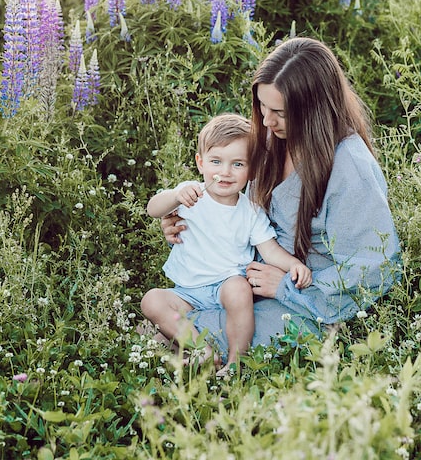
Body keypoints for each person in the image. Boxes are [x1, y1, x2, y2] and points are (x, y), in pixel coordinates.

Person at [161, 37, 401, 356]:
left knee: (175, 336)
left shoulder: (350, 168)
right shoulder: (274, 138)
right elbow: (245, 216)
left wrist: (285, 288)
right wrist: (192, 223)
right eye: (262, 106)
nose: (266, 122)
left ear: (315, 110)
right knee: (162, 310)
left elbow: (371, 268)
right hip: (243, 281)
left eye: (280, 113)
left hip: (309, 304)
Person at [141, 113, 312, 370]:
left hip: (225, 286)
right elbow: (153, 209)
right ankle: (203, 350)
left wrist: (293, 265)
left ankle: (235, 361)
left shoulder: (251, 211)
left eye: (238, 164)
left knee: (239, 289)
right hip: (187, 291)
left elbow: (270, 250)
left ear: (252, 169)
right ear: (200, 163)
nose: (225, 172)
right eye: (216, 161)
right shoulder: (191, 195)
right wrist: (175, 195)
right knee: (151, 300)